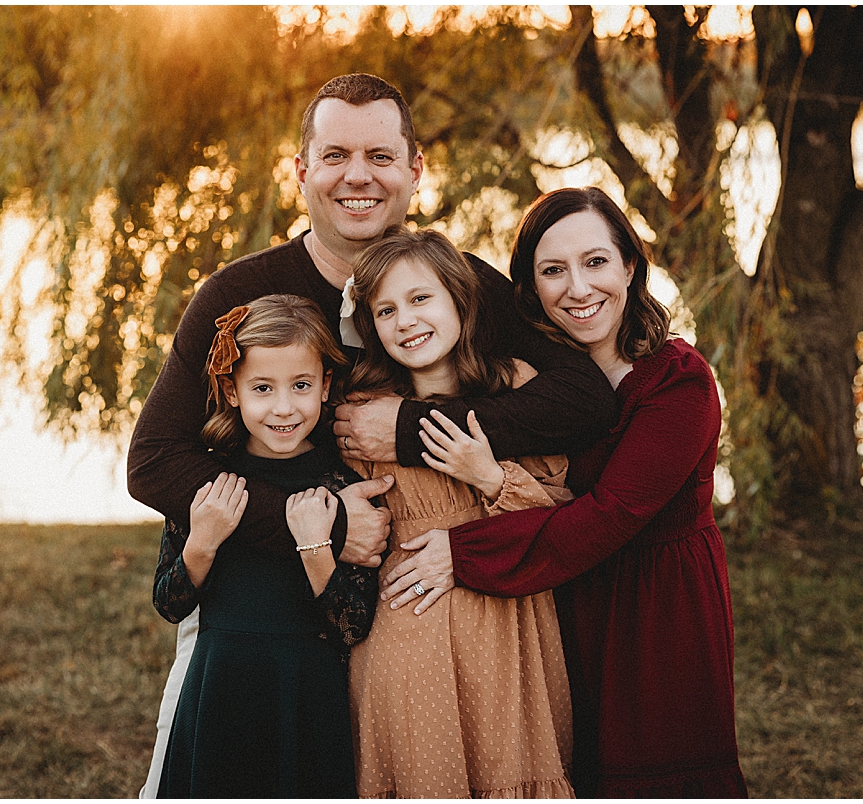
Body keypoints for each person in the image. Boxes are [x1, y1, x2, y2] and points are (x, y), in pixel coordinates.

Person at [127, 75, 615, 796]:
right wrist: (314, 526)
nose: (359, 176)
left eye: (381, 156)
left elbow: (582, 398)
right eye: (336, 156)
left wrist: (413, 429)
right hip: (259, 616)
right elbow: (155, 461)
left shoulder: (457, 286)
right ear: (300, 171)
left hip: (427, 618)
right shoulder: (237, 295)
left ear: (415, 171)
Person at [380, 187, 749, 798]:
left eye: (596, 262)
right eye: (553, 270)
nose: (577, 288)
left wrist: (462, 551)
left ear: (630, 266)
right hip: (559, 600)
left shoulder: (678, 382)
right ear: (529, 290)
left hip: (655, 610)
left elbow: (609, 516)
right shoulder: (526, 384)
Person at [343, 226, 574, 798]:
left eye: (421, 299)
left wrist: (488, 476)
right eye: (386, 310)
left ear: (459, 301)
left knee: (511, 763)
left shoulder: (517, 388)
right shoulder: (362, 412)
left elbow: (559, 512)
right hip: (409, 620)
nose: (406, 321)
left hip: (508, 625)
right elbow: (354, 517)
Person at [153, 295, 375, 797]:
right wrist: (203, 543)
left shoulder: (341, 480)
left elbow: (353, 624)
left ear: (325, 385)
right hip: (220, 688)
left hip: (307, 694)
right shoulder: (207, 479)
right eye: (262, 388)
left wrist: (318, 546)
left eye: (300, 385)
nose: (283, 407)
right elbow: (170, 602)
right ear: (232, 392)